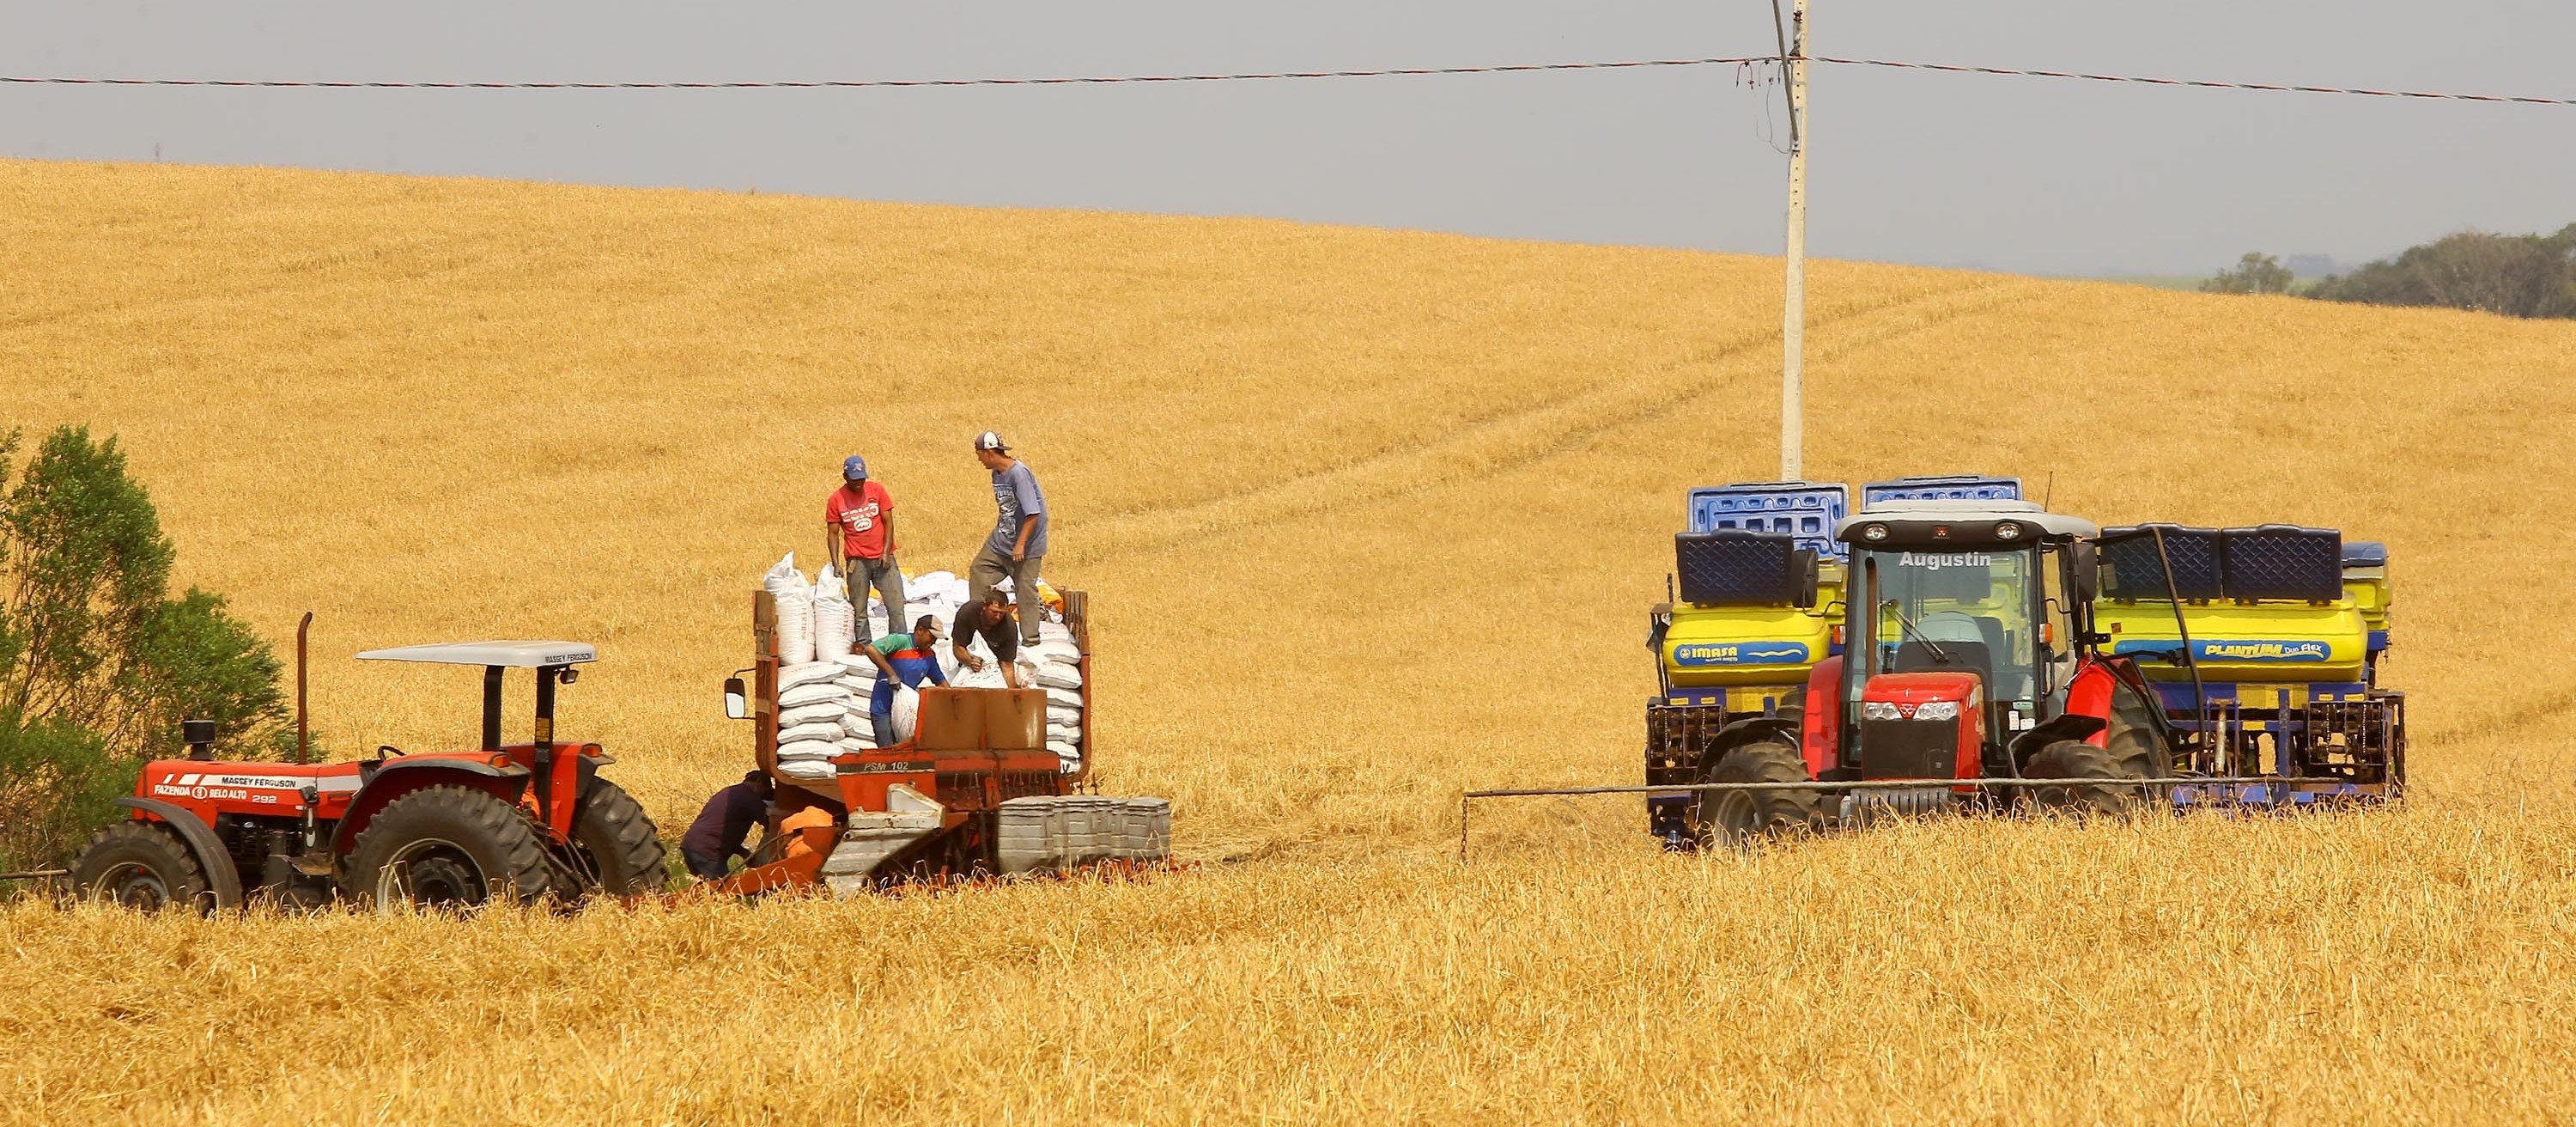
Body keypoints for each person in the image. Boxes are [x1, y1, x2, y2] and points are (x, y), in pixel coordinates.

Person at [968, 430, 1048, 647]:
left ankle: (1031, 639)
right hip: (1001, 540)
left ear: (989, 452)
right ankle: (981, 630)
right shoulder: (997, 473)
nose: (978, 459)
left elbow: (1033, 513)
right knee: (979, 570)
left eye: (979, 454)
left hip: (1027, 546)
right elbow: (1008, 509)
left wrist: (1021, 544)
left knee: (1025, 589)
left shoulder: (1018, 474)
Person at [825, 454, 903, 634]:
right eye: (854, 480)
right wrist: (836, 563)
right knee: (859, 609)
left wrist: (886, 552)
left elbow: (889, 523)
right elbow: (833, 534)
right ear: (845, 477)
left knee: (896, 605)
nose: (859, 483)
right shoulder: (836, 500)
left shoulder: (877, 491)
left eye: (861, 479)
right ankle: (863, 645)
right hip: (857, 561)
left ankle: (898, 645)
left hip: (883, 558)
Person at [859, 614, 950, 746]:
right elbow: (871, 649)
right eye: (932, 637)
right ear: (920, 630)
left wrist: (954, 698)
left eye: (936, 639)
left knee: (905, 749)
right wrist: (891, 674)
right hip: (883, 708)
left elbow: (940, 681)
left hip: (905, 711)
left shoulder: (929, 656)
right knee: (887, 750)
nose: (933, 642)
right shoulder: (899, 641)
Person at [680, 770, 773, 882]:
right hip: (708, 850)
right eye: (765, 792)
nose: (763, 796)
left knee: (708, 889)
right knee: (726, 891)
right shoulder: (750, 798)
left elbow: (723, 829)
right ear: (759, 783)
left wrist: (744, 853)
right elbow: (772, 824)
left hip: (692, 845)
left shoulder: (731, 792)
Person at [950, 588, 1027, 689]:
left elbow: (1007, 665)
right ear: (984, 606)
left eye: (1002, 613)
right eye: (994, 612)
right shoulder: (967, 613)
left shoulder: (1009, 627)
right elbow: (957, 647)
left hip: (994, 665)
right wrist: (970, 661)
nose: (998, 617)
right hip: (968, 659)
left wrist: (1013, 691)